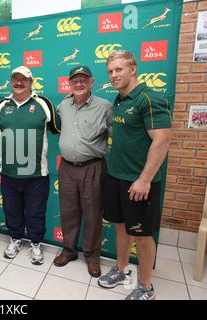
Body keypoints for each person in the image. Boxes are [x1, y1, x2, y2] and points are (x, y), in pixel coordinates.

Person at [97, 50, 171, 300]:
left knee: (142, 234)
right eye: (110, 71)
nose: (114, 75)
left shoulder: (149, 99)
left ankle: (146, 286)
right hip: (115, 177)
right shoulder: (119, 100)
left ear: (133, 69)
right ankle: (120, 269)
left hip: (140, 181)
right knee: (120, 228)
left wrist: (145, 179)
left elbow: (162, 141)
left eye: (119, 69)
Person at [0, 66, 58, 265]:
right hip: (9, 172)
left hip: (37, 173)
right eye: (15, 79)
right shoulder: (2, 104)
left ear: (31, 82)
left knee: (36, 211)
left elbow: (58, 128)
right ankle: (15, 239)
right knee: (12, 210)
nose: (19, 83)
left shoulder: (43, 103)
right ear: (11, 81)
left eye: (24, 80)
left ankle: (36, 243)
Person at [53, 66, 112, 277]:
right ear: (69, 83)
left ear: (92, 81)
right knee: (68, 212)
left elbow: (118, 134)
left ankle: (92, 256)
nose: (79, 84)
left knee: (94, 214)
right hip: (67, 167)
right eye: (75, 80)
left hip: (93, 168)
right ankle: (69, 250)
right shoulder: (63, 105)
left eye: (83, 80)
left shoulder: (104, 106)